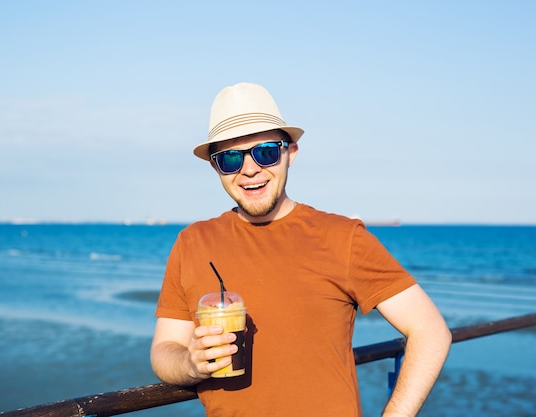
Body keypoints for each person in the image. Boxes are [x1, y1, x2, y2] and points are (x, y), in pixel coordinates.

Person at [150, 82, 451, 416]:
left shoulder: (342, 236)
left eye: (265, 151)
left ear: (290, 152)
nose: (249, 169)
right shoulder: (193, 242)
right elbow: (165, 349)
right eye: (231, 158)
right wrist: (190, 364)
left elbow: (430, 331)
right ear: (215, 167)